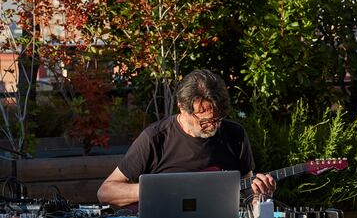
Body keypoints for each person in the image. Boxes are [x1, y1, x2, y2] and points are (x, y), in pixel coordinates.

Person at [97, 69, 276, 208]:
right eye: (204, 121)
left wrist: (260, 198)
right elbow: (106, 192)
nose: (213, 126)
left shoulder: (235, 135)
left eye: (217, 119)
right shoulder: (156, 138)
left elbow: (247, 193)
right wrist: (162, 190)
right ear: (182, 108)